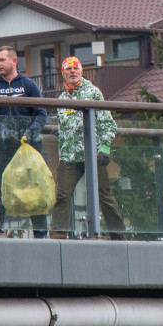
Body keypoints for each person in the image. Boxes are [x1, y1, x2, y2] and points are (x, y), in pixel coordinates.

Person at [50, 56, 125, 240]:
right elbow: (63, 126)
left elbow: (108, 123)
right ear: (63, 74)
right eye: (69, 69)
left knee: (103, 195)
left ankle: (118, 235)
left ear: (81, 71)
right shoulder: (61, 98)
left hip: (93, 154)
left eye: (76, 68)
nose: (73, 72)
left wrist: (105, 146)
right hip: (69, 156)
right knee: (62, 196)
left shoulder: (93, 92)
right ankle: (58, 235)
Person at [0, 46, 49, 238]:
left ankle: (40, 233)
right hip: (4, 146)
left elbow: (42, 113)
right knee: (0, 185)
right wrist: (3, 130)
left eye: (2, 60)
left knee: (34, 188)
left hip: (30, 146)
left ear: (14, 61)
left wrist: (30, 132)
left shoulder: (28, 85)